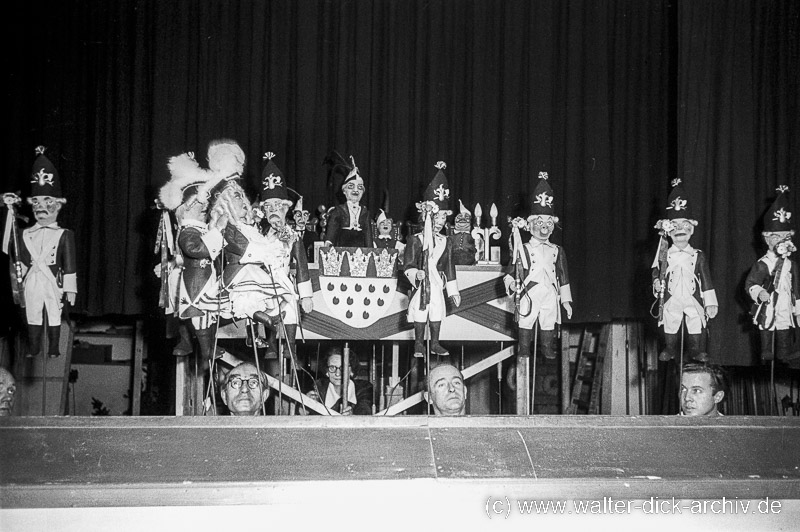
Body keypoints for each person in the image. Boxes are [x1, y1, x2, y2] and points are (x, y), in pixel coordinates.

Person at [202, 152, 313, 358]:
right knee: (255, 304)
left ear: (285, 208)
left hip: (281, 280)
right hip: (252, 278)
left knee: (289, 307)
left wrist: (306, 295)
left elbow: (302, 265)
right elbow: (248, 248)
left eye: (278, 207)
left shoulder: (292, 235)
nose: (273, 211)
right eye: (268, 206)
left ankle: (289, 349)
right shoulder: (255, 230)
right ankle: (263, 341)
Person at [157, 141, 238, 360]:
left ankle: (207, 345)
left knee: (207, 316)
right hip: (194, 282)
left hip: (205, 278)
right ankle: (203, 349)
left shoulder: (201, 228)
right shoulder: (187, 231)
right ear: (183, 210)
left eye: (203, 206)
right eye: (197, 206)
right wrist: (218, 231)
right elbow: (195, 249)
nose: (203, 208)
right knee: (196, 315)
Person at [503, 172, 572, 360]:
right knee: (526, 318)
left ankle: (547, 347)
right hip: (529, 291)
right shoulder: (523, 248)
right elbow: (510, 271)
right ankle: (524, 347)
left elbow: (563, 276)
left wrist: (565, 301)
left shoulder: (557, 250)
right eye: (540, 222)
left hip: (550, 292)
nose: (544, 227)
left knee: (548, 319)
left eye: (548, 223)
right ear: (531, 225)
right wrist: (510, 283)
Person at [18, 146, 77, 358]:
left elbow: (69, 264)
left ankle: (53, 347)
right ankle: (34, 347)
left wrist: (71, 289)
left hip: (53, 280)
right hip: (32, 279)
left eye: (47, 202)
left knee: (53, 312)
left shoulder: (64, 234)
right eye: (37, 202)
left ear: (58, 205)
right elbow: (21, 259)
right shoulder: (24, 234)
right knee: (32, 312)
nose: (41, 206)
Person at [652, 178, 718, 362]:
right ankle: (670, 347)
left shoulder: (698, 255)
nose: (680, 231)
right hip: (672, 295)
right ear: (668, 230)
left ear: (691, 229)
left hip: (692, 296)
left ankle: (695, 349)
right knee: (671, 319)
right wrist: (656, 281)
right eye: (676, 226)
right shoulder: (664, 253)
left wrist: (711, 302)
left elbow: (706, 279)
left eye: (684, 226)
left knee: (695, 319)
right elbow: (656, 270)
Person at [403, 162, 461, 358]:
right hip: (421, 284)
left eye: (443, 218)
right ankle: (419, 342)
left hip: (436, 283)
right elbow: (408, 263)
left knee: (437, 310)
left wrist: (453, 291)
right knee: (421, 311)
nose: (440, 222)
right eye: (436, 218)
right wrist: (414, 274)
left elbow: (450, 267)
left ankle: (435, 342)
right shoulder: (416, 240)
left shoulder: (447, 241)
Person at [744, 185, 799, 363]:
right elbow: (750, 283)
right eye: (776, 237)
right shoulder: (762, 264)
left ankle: (784, 353)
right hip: (768, 303)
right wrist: (759, 292)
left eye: (784, 237)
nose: (780, 242)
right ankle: (766, 350)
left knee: (783, 327)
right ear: (767, 239)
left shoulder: (792, 264)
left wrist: (798, 308)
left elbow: (796, 288)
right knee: (766, 324)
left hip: (785, 303)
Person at [307, 346, 373, 415]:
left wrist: (353, 417)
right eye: (332, 367)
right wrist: (306, 405)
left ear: (351, 371)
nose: (338, 374)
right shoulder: (318, 388)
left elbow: (365, 412)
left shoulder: (364, 389)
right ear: (327, 372)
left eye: (343, 368)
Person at [325, 156, 373, 248]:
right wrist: (328, 243)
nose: (356, 190)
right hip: (343, 244)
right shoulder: (339, 210)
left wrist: (370, 250)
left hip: (360, 247)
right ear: (344, 191)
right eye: (351, 187)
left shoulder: (365, 211)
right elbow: (333, 228)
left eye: (359, 188)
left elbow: (368, 234)